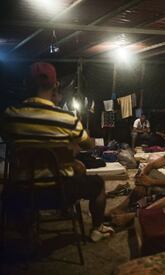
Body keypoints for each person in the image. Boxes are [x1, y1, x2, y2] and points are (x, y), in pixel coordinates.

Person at [1, 62, 114, 242]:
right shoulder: (68, 118)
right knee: (98, 183)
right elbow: (87, 145)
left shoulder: (10, 115)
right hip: (60, 193)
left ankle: (25, 231)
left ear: (26, 84)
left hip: (22, 193)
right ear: (55, 85)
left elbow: (8, 141)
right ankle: (97, 229)